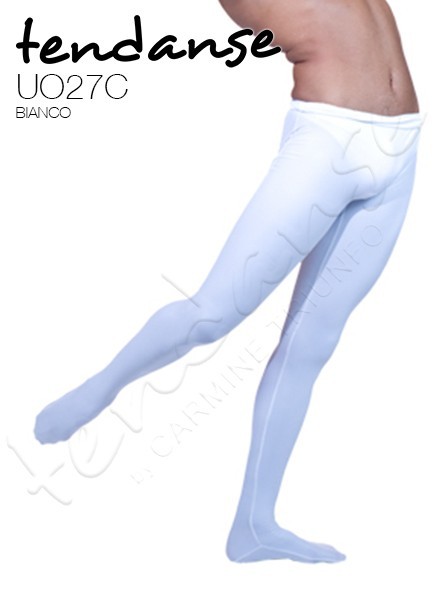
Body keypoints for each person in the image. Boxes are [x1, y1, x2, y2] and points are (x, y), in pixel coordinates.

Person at [34, 0, 424, 564]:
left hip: (403, 145)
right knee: (211, 315)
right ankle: (99, 390)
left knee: (312, 345)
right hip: (330, 139)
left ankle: (255, 527)